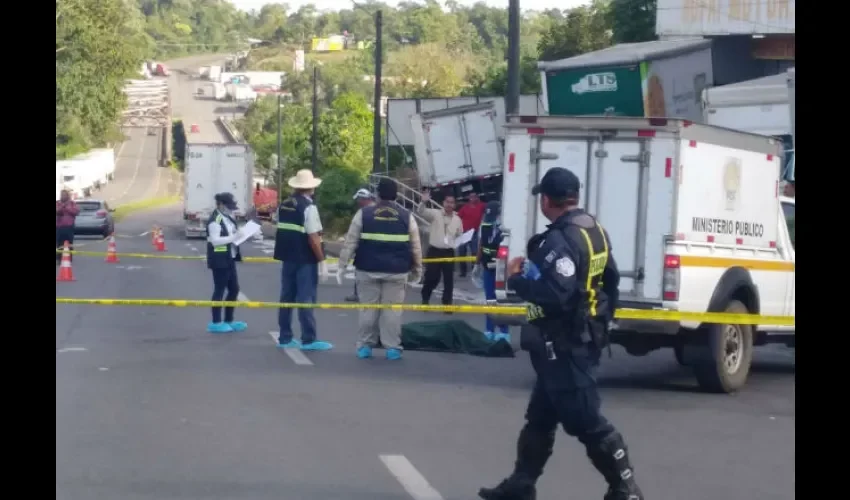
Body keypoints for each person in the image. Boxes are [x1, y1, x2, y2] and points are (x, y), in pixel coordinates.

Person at [479, 167, 644, 500]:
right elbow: (610, 281)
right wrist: (600, 322)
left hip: (566, 343)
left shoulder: (561, 238)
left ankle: (625, 487)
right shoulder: (594, 230)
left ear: (547, 200)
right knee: (539, 418)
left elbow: (555, 294)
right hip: (579, 336)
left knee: (586, 421)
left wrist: (516, 280)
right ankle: (521, 485)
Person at [337, 178, 423, 360]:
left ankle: (365, 346)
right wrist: (417, 269)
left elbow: (350, 242)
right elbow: (416, 246)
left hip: (367, 269)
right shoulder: (407, 216)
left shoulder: (364, 214)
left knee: (368, 309)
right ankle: (392, 348)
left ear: (377, 194)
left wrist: (342, 265)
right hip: (397, 271)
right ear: (396, 195)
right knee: (392, 311)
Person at [273, 169, 333, 351]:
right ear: (311, 188)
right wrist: (322, 260)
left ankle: (285, 337)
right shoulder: (309, 207)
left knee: (287, 297)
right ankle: (309, 338)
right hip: (305, 259)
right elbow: (313, 237)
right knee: (305, 298)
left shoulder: (283, 205)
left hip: (287, 257)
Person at [206, 192, 248, 334]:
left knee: (234, 289)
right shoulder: (215, 220)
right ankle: (216, 322)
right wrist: (234, 237)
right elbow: (215, 240)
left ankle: (229, 320)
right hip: (219, 259)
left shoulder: (228, 217)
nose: (231, 209)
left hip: (229, 257)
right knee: (219, 289)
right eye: (228, 206)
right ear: (221, 205)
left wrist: (242, 234)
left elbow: (232, 234)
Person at [417, 190, 463, 308]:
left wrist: (458, 241)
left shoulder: (457, 220)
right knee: (432, 278)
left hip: (448, 252)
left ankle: (447, 304)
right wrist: (423, 201)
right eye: (447, 202)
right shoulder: (435, 214)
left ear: (455, 205)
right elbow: (421, 211)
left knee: (449, 280)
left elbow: (459, 235)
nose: (449, 204)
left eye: (452, 202)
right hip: (434, 251)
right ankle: (425, 297)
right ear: (443, 203)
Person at [477, 201, 510, 342]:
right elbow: (481, 243)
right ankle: (489, 330)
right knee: (490, 299)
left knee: (501, 300)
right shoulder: (484, 225)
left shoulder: (505, 227)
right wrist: (476, 263)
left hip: (501, 267)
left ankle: (503, 332)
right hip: (486, 265)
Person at [344, 188, 376, 303]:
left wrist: (345, 258)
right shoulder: (377, 208)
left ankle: (358, 294)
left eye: (359, 199)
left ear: (363, 199)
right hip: (375, 246)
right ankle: (362, 293)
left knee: (360, 271)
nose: (357, 202)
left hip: (365, 246)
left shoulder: (364, 212)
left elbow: (353, 234)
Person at [457, 191, 486, 277]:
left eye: (474, 197)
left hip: (475, 232)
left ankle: (475, 270)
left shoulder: (481, 205)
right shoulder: (465, 207)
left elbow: (488, 209)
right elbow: (458, 217)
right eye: (471, 197)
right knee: (461, 251)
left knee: (474, 252)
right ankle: (463, 271)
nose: (472, 198)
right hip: (464, 232)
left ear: (477, 197)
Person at [56, 190, 80, 264]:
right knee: (59, 243)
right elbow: (57, 211)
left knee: (69, 242)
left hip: (69, 226)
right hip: (59, 226)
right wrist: (61, 207)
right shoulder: (57, 203)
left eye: (65, 195)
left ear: (68, 195)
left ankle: (69, 258)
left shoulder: (72, 203)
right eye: (62, 194)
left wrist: (67, 208)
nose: (63, 196)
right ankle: (59, 259)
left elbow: (76, 212)